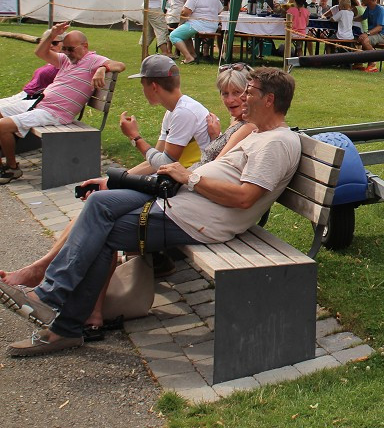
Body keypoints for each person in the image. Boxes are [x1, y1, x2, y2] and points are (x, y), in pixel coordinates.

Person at [0, 67, 301, 357]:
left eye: (248, 92)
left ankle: (56, 312)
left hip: (198, 219)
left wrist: (190, 177)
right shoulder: (257, 133)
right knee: (98, 203)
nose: (241, 98)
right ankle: (55, 304)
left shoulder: (275, 143)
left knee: (102, 231)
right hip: (181, 201)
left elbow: (247, 198)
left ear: (269, 99)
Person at [1, 64, 255, 293]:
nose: (231, 99)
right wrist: (116, 179)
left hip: (181, 192)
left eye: (238, 93)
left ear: (152, 86)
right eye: (225, 93)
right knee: (101, 201)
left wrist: (135, 139)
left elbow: (167, 164)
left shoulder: (187, 113)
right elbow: (157, 161)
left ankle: (53, 279)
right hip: (176, 185)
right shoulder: (181, 112)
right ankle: (49, 271)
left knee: (102, 210)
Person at [0, 24, 125, 185]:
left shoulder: (93, 60)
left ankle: (12, 168)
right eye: (64, 48)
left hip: (55, 112)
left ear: (84, 46)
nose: (66, 52)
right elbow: (40, 52)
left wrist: (102, 68)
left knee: (2, 125)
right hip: (41, 103)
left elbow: (120, 65)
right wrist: (52, 34)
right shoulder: (67, 60)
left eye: (70, 49)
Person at [0, 30, 62, 115]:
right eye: (46, 43)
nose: (50, 46)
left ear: (64, 43)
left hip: (33, 99)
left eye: (55, 43)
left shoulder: (65, 62)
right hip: (24, 95)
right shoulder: (52, 61)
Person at [170, 0, 223, 64]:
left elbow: (185, 12)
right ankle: (193, 54)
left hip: (197, 25)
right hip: (212, 26)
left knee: (174, 35)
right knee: (185, 34)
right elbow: (220, 11)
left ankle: (188, 57)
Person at [356, 0, 384, 72]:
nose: (362, 0)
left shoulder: (380, 10)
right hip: (373, 34)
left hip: (382, 35)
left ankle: (373, 63)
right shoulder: (368, 8)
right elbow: (362, 17)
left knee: (365, 41)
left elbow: (379, 28)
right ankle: (359, 64)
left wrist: (366, 34)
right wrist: (350, 19)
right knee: (359, 39)